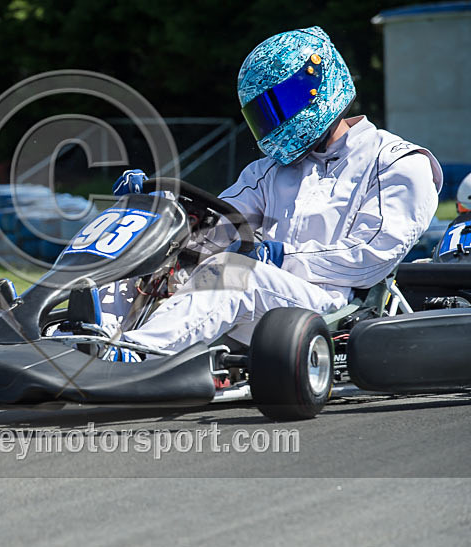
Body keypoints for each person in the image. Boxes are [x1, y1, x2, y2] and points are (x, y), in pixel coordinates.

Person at [101, 26, 443, 361]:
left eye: (282, 103)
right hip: (263, 297)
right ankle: (79, 345)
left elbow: (371, 257)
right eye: (264, 112)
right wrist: (157, 216)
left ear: (319, 84)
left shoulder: (397, 162)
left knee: (231, 272)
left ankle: (132, 358)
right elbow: (218, 225)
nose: (275, 120)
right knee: (140, 257)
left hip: (334, 304)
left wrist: (281, 258)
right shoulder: (268, 172)